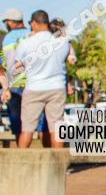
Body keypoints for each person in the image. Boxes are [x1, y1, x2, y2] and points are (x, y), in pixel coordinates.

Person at [10, 10, 70, 149]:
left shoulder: (26, 43)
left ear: (34, 23)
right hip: (57, 88)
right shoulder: (62, 42)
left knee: (27, 129)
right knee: (56, 129)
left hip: (34, 88)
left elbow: (17, 68)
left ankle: (21, 164)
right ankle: (58, 167)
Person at [0, 8, 30, 146]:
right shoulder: (32, 34)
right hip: (34, 85)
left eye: (6, 22)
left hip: (14, 86)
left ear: (11, 22)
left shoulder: (5, 38)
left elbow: (2, 68)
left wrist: (5, 88)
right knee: (36, 123)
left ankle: (21, 153)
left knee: (17, 124)